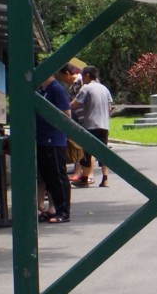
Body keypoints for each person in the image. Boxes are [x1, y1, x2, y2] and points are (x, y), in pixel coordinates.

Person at [37, 64, 73, 224]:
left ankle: (63, 211)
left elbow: (66, 113)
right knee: (49, 178)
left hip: (54, 140)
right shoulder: (43, 90)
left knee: (58, 177)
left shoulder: (56, 89)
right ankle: (53, 209)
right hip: (43, 139)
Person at [73, 66, 112, 187]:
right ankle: (105, 179)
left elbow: (75, 104)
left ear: (88, 75)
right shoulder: (104, 89)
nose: (82, 79)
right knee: (103, 153)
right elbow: (109, 108)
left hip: (90, 125)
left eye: (83, 76)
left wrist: (63, 107)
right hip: (104, 125)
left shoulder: (86, 88)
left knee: (87, 152)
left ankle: (85, 179)